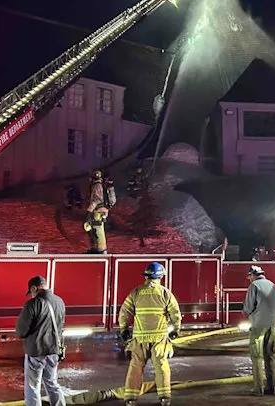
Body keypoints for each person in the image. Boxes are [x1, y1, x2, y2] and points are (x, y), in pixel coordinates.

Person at [119, 262, 182, 406]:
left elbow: (124, 313)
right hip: (159, 339)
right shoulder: (165, 293)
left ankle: (130, 399)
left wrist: (124, 329)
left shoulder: (136, 292)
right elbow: (176, 314)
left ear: (146, 276)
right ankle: (165, 398)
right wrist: (176, 330)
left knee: (135, 367)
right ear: (160, 277)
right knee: (161, 367)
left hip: (139, 339)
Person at [16, 276, 66, 406]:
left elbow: (21, 330)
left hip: (36, 351)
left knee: (33, 386)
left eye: (31, 292)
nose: (31, 295)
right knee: (52, 382)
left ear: (34, 288)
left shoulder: (33, 304)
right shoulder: (59, 301)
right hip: (54, 350)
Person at [243, 265, 275, 396]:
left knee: (257, 357)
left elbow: (248, 307)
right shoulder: (272, 285)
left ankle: (258, 389)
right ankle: (272, 387)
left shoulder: (254, 286)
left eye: (249, 277)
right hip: (272, 325)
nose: (249, 279)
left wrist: (249, 314)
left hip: (258, 326)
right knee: (270, 356)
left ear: (253, 275)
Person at [84, 170, 108, 254]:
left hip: (98, 211)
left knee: (97, 230)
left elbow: (96, 200)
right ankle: (98, 248)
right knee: (95, 230)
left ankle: (101, 250)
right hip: (100, 211)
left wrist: (89, 211)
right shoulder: (100, 185)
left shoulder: (96, 186)